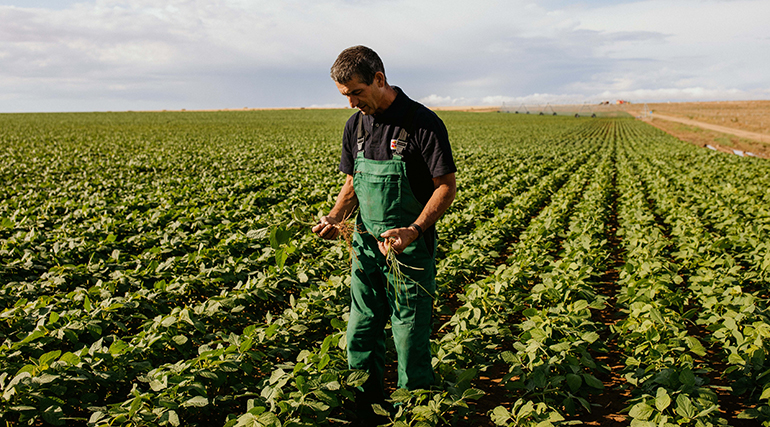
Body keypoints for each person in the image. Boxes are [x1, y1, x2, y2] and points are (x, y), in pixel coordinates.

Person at [312, 45, 456, 421]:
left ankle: (415, 410)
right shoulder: (355, 126)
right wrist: (334, 218)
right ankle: (366, 406)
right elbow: (352, 181)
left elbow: (446, 186)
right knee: (360, 330)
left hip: (408, 249)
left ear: (379, 79)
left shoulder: (422, 123)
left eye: (357, 93)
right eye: (345, 96)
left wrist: (414, 229)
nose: (351, 103)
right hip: (365, 244)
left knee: (408, 336)